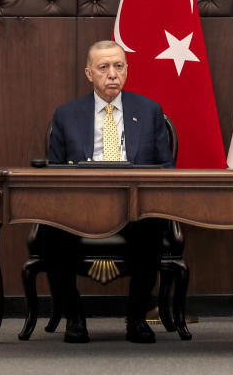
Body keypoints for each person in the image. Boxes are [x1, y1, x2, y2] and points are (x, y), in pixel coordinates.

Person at [47, 40, 173, 344]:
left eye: (118, 66)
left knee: (153, 224)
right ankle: (74, 317)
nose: (112, 74)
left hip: (135, 207)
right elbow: (53, 173)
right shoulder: (66, 115)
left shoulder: (149, 110)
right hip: (81, 209)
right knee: (52, 230)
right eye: (104, 68)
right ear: (89, 74)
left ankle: (137, 318)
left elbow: (166, 169)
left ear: (127, 71)